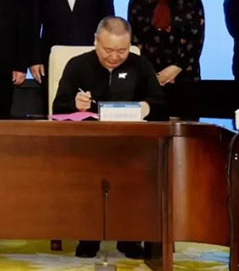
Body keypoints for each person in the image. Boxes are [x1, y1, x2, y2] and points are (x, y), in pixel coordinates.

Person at [53, 16, 164, 259]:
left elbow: (159, 103)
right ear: (96, 41)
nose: (114, 56)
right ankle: (89, 236)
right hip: (89, 145)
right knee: (88, 173)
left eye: (122, 51)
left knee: (139, 173)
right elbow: (58, 107)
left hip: (131, 145)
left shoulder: (140, 65)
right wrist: (74, 104)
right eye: (108, 50)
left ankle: (130, 237)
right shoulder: (78, 65)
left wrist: (144, 108)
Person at [128, 0, 205, 119]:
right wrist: (152, 74)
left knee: (185, 129)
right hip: (148, 78)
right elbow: (133, 40)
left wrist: (175, 68)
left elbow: (197, 38)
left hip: (184, 75)